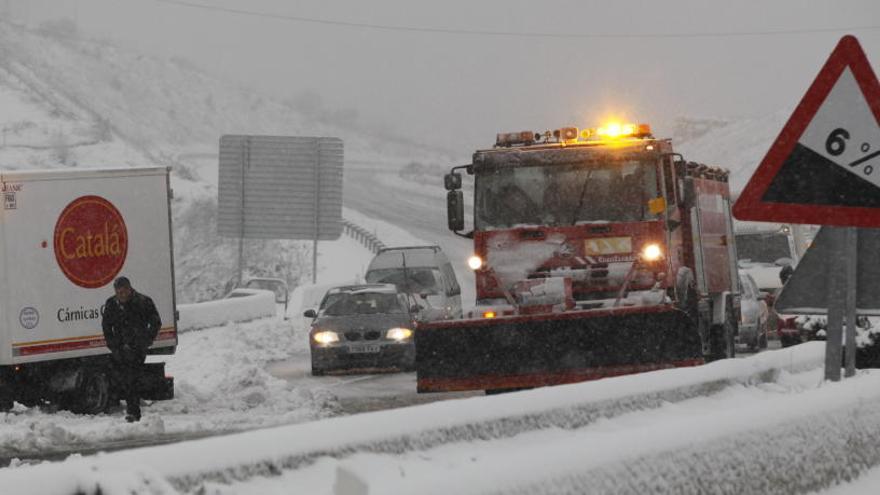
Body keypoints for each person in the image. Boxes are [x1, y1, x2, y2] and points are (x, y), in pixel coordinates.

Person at [101, 276, 161, 422]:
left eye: (124, 291)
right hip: (120, 349)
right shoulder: (111, 304)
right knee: (124, 379)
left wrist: (146, 341)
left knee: (132, 378)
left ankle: (133, 412)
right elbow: (106, 326)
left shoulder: (143, 302)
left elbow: (156, 322)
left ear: (130, 289)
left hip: (137, 349)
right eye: (119, 292)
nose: (122, 295)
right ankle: (131, 408)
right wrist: (113, 345)